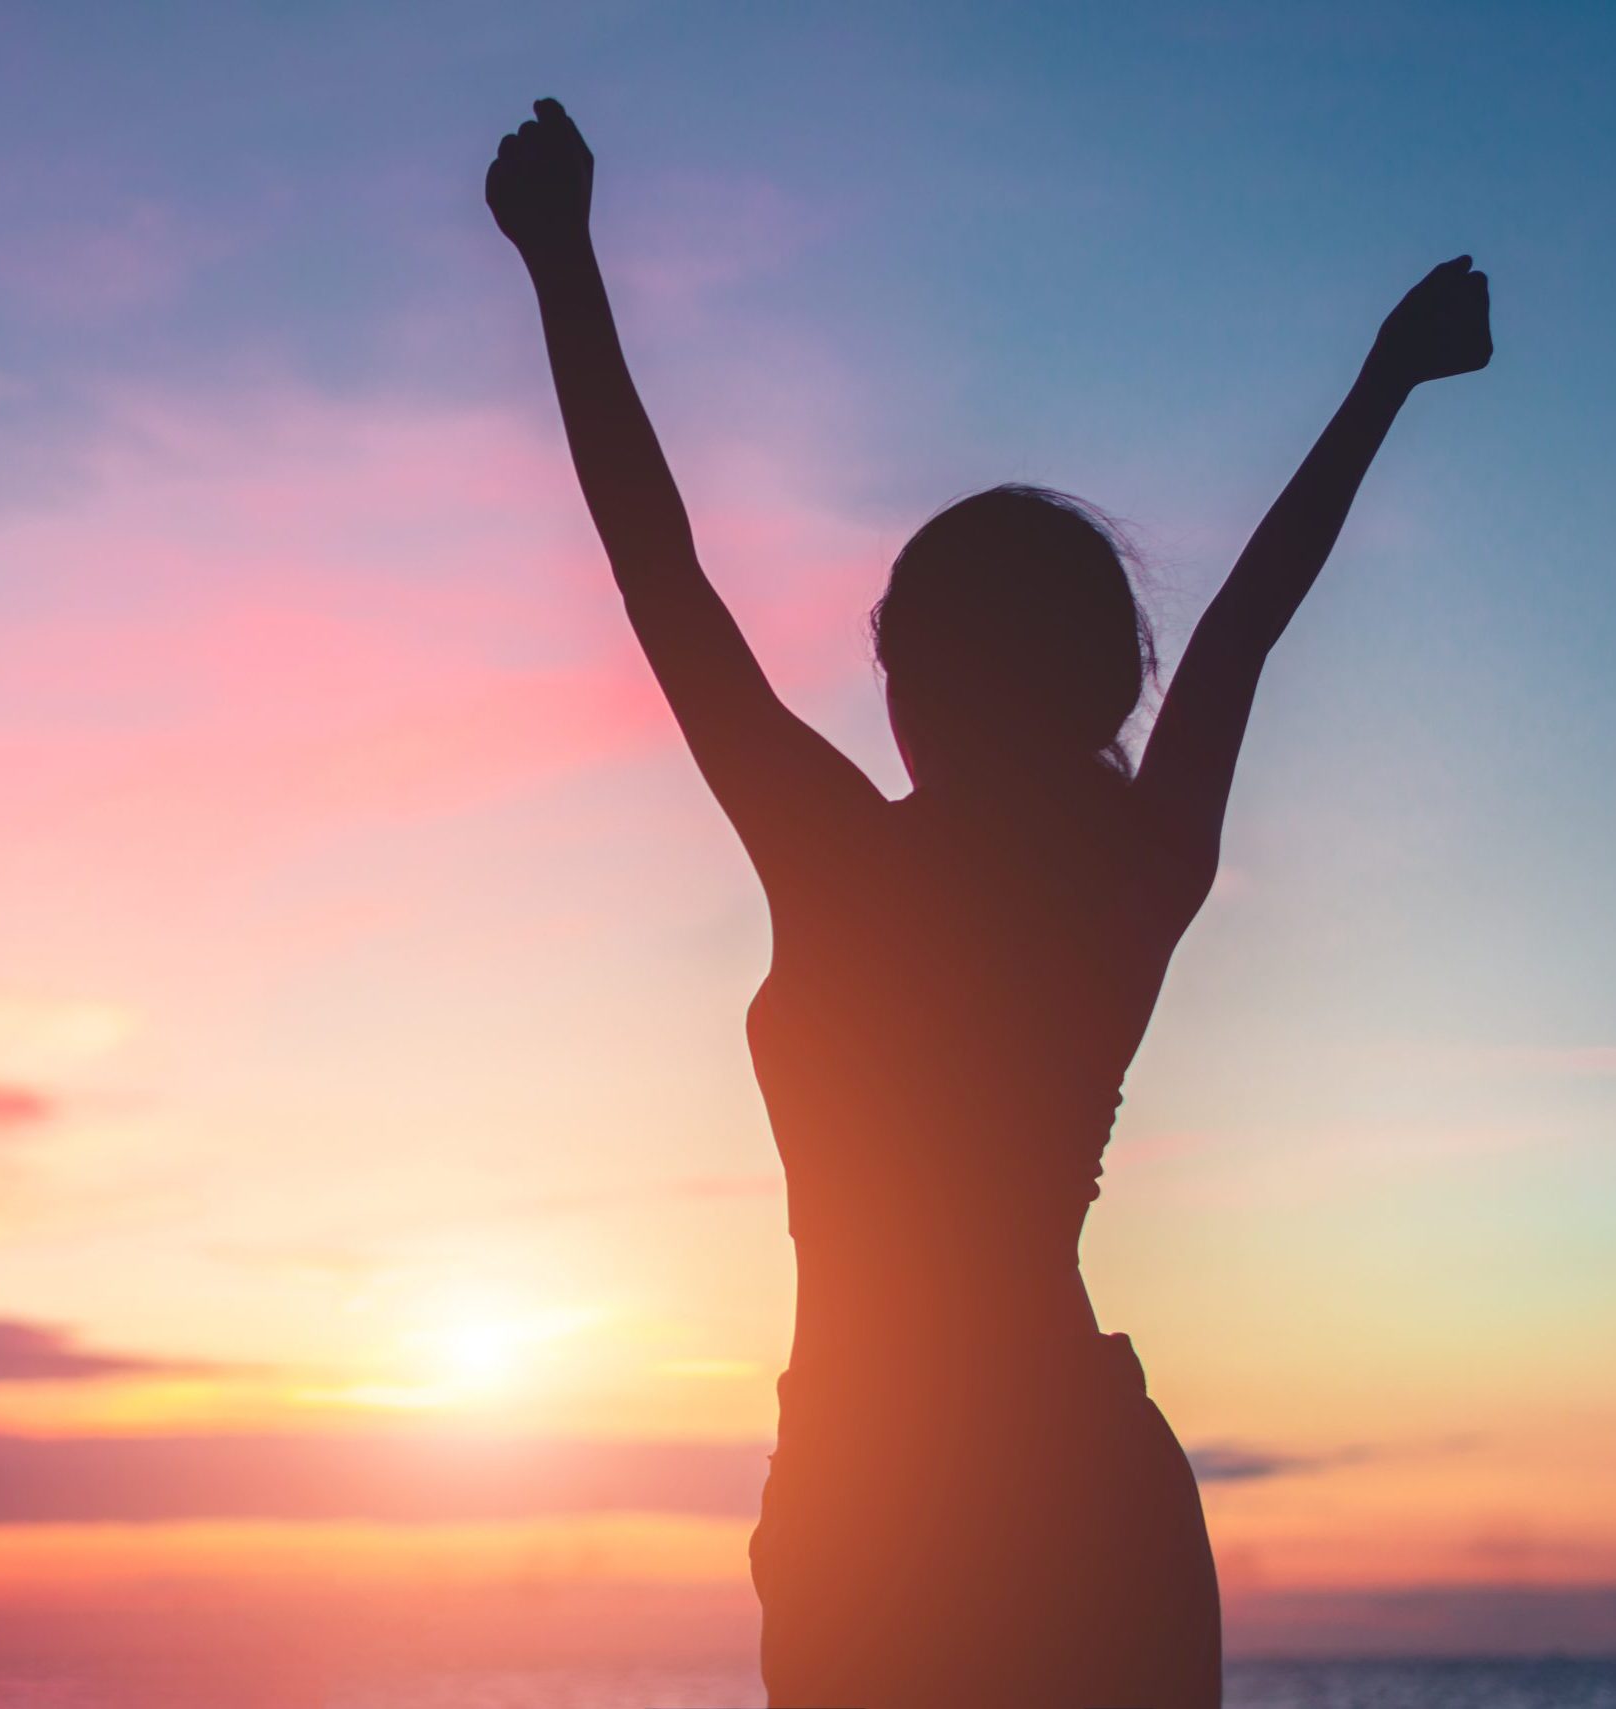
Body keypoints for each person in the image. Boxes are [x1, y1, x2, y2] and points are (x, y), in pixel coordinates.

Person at [485, 97, 1491, 1708]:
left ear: (912, 681)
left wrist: (559, 260)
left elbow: (660, 576)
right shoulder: (1137, 871)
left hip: (882, 1501)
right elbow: (1243, 627)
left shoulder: (844, 861)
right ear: (1100, 681)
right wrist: (1384, 377)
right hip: (1085, 1481)